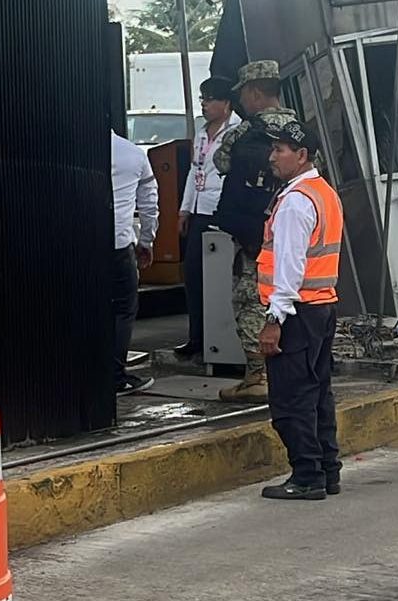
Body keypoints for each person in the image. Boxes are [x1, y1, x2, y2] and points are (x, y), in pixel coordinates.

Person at [257, 122, 343, 500]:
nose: (272, 157)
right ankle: (327, 470)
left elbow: (289, 269)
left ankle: (307, 476)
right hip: (321, 308)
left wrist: (273, 320)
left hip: (297, 312)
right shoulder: (324, 193)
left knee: (291, 400)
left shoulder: (295, 202)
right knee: (318, 394)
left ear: (302, 155)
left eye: (280, 150)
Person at [212, 60, 298, 403]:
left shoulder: (241, 133)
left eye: (244, 94)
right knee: (292, 298)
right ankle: (288, 372)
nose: (242, 101)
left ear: (255, 92)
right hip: (294, 233)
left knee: (250, 300)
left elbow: (220, 164)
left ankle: (257, 377)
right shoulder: (300, 132)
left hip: (253, 236)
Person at [174, 77, 241, 358]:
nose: (204, 104)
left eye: (210, 99)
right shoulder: (201, 132)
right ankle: (196, 337)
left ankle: (221, 339)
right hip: (200, 209)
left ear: (226, 103)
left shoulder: (237, 131)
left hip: (221, 210)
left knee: (220, 276)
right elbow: (195, 170)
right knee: (193, 274)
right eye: (202, 99)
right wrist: (184, 209)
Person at [111, 130, 160, 395]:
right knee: (122, 309)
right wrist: (146, 240)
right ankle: (115, 377)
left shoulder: (67, 149)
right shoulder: (132, 153)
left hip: (77, 245)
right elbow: (149, 201)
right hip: (117, 245)